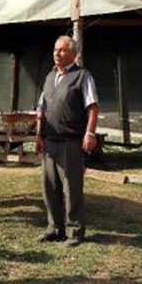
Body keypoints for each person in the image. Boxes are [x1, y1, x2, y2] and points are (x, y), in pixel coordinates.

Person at [35, 36, 99, 247]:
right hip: (49, 141)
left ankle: (75, 231)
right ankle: (54, 228)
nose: (57, 53)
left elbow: (92, 107)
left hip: (71, 141)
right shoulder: (49, 77)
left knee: (71, 188)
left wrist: (89, 134)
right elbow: (41, 108)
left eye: (62, 50)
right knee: (49, 187)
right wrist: (38, 135)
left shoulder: (83, 76)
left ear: (74, 53)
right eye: (55, 50)